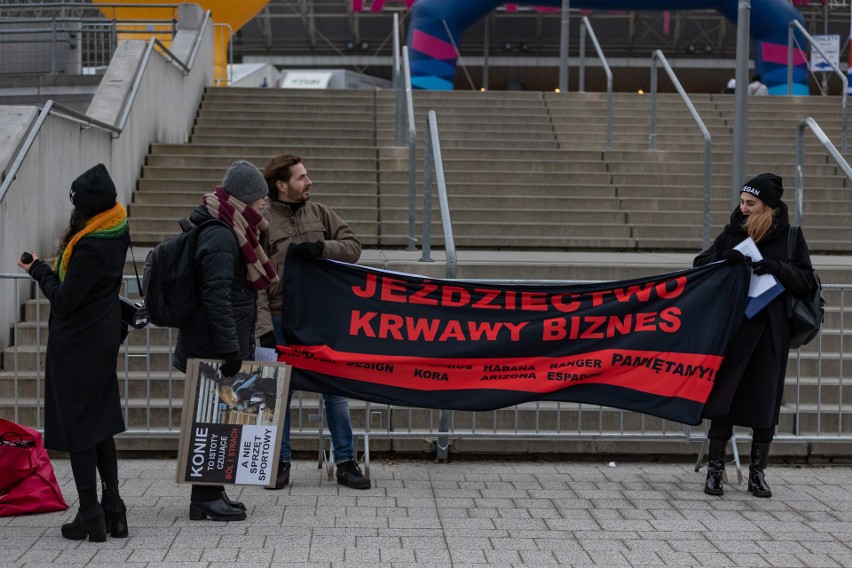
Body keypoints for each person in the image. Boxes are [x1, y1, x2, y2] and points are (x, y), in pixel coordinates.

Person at [17, 163, 130, 542]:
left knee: (81, 428)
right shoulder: (116, 228)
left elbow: (65, 300)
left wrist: (39, 270)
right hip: (101, 338)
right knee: (99, 425)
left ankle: (90, 513)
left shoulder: (90, 245)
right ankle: (114, 507)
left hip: (77, 344)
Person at [694, 173, 816, 498]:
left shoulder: (790, 237)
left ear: (769, 206)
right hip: (734, 329)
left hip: (771, 332)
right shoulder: (732, 232)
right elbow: (700, 264)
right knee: (724, 398)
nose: (743, 208)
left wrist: (777, 268)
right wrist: (726, 258)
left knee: (766, 401)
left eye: (751, 203)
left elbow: (808, 281)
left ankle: (757, 474)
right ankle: (715, 471)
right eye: (742, 201)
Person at [172, 160, 278, 521]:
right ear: (246, 198)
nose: (264, 204)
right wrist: (230, 349)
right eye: (260, 198)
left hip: (216, 342)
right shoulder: (221, 234)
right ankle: (205, 498)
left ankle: (211, 494)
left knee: (218, 419)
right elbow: (217, 297)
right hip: (212, 345)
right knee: (211, 423)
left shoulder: (232, 227)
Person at [257, 153, 370, 491]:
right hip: (280, 317)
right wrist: (263, 327)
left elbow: (353, 247)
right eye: (301, 177)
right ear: (281, 184)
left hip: (320, 317)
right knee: (280, 392)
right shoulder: (262, 222)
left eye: (307, 176)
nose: (309, 182)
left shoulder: (320, 212)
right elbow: (256, 280)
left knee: (334, 391)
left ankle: (346, 461)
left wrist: (321, 248)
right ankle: (280, 463)